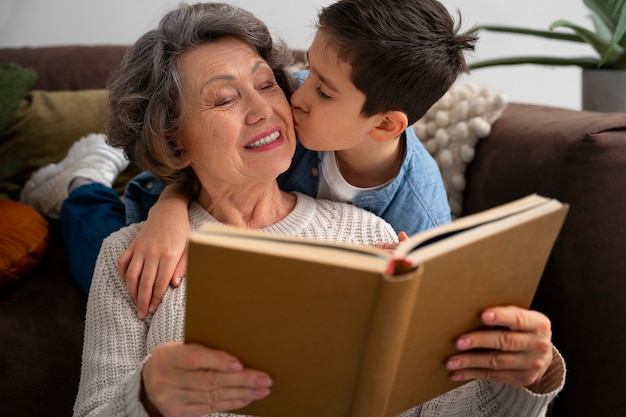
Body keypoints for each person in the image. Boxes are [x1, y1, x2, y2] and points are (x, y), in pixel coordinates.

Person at [72, 3, 565, 416]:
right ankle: (83, 177)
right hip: (145, 217)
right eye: (224, 99)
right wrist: (147, 397)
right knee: (90, 226)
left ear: (386, 125)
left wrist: (523, 374)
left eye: (267, 84)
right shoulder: (128, 254)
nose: (272, 106)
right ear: (174, 138)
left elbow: (447, 402)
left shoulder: (380, 229)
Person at [20, 0, 475, 317]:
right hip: (185, 208)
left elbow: (425, 319)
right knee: (114, 268)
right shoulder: (294, 101)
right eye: (307, 70)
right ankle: (84, 182)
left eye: (323, 88)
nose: (289, 95)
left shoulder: (418, 209)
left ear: (384, 126)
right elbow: (199, 160)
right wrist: (170, 206)